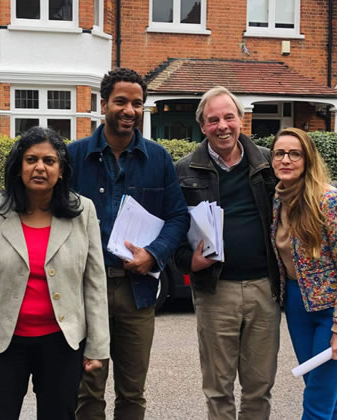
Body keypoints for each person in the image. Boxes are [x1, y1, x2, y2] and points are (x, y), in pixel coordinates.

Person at [174, 86, 337, 420]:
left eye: (229, 117)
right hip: (215, 291)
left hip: (265, 288)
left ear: (241, 119)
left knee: (261, 387)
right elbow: (171, 227)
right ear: (202, 125)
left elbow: (316, 184)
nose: (222, 126)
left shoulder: (267, 161)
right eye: (213, 119)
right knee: (218, 388)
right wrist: (187, 261)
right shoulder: (184, 170)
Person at [0, 126, 109, 420]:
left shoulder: (83, 211)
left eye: (49, 161)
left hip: (62, 343)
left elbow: (94, 282)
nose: (40, 167)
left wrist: (98, 345)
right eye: (31, 159)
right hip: (3, 343)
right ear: (18, 167)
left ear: (61, 170)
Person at [69, 68, 189, 420]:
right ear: (103, 104)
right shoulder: (73, 157)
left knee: (132, 393)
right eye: (121, 101)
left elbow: (178, 217)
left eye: (137, 103)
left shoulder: (158, 158)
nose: (129, 110)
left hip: (137, 291)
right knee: (87, 391)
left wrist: (154, 254)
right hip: (85, 289)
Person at [270, 127, 337, 420]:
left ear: (307, 159)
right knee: (324, 393)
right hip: (298, 306)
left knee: (316, 401)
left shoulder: (330, 201)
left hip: (334, 311)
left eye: (294, 153)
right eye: (279, 153)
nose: (286, 159)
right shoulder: (278, 198)